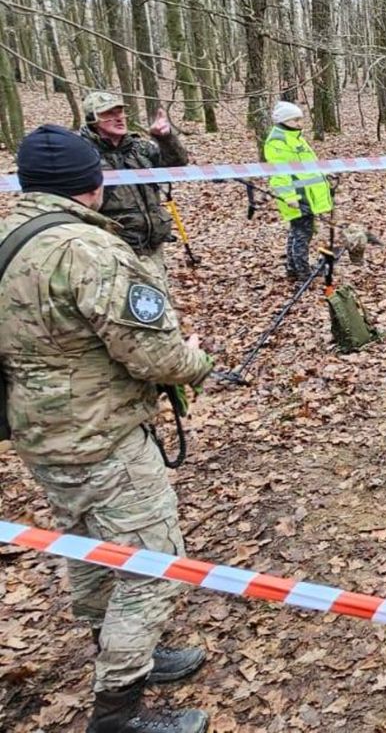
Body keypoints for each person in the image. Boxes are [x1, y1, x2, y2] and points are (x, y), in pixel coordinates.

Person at [0, 126, 214, 733]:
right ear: (93, 183)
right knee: (156, 564)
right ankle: (118, 710)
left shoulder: (9, 236)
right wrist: (199, 361)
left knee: (89, 549)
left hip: (40, 436)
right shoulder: (87, 251)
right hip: (103, 437)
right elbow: (156, 356)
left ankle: (124, 656)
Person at [79, 91, 190, 258]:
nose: (118, 118)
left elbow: (177, 163)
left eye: (120, 112)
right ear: (92, 119)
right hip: (112, 250)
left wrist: (165, 138)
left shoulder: (139, 148)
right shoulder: (81, 155)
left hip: (152, 244)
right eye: (109, 113)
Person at [263, 101, 334, 280]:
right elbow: (280, 173)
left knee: (297, 231)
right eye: (295, 120)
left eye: (300, 120)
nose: (300, 124)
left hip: (305, 194)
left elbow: (309, 163)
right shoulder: (278, 142)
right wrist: (289, 196)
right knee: (303, 233)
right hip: (298, 196)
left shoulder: (295, 137)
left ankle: (293, 267)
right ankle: (303, 271)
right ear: (284, 121)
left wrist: (323, 172)